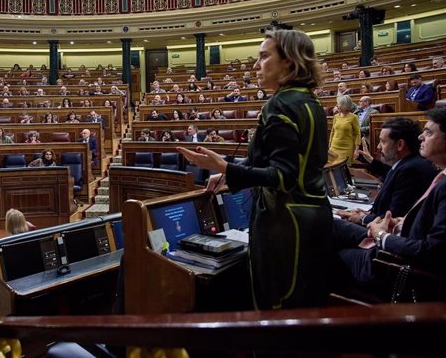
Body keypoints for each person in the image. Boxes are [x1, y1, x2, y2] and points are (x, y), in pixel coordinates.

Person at [178, 29, 332, 310]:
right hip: (314, 216)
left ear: (288, 61)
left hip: (284, 225)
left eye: (263, 56)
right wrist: (229, 173)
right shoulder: (309, 101)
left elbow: (283, 178)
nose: (255, 65)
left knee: (275, 313)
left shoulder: (280, 105)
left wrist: (225, 166)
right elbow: (279, 161)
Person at [332, 107, 446, 290]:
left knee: (327, 250)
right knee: (331, 226)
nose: (421, 137)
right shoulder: (434, 174)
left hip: (395, 264)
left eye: (429, 132)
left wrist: (381, 236)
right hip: (397, 240)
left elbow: (433, 251)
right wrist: (399, 222)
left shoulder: (421, 172)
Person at [337, 117, 438, 226]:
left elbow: (393, 216)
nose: (378, 146)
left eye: (383, 141)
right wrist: (366, 213)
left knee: (335, 224)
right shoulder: (408, 164)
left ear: (400, 144)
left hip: (384, 235)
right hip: (377, 223)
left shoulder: (411, 170)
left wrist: (363, 218)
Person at [329, 95, 360, 164]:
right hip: (334, 147)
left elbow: (357, 134)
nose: (337, 106)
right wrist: (330, 145)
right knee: (331, 168)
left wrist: (356, 149)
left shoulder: (354, 117)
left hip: (347, 148)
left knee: (344, 170)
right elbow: (332, 131)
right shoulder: (335, 117)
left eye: (338, 104)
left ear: (345, 105)